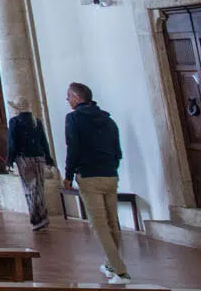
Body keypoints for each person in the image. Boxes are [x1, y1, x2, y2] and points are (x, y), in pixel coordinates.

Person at [64, 82, 129, 285]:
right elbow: (117, 150)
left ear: (77, 98)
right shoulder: (108, 120)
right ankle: (110, 265)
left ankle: (121, 272)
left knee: (99, 224)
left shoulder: (73, 118)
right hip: (110, 174)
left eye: (69, 96)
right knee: (112, 222)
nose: (67, 99)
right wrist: (111, 168)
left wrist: (68, 175)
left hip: (89, 175)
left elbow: (73, 147)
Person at [6, 95, 55, 231]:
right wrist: (48, 158)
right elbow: (43, 141)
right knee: (39, 188)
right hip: (39, 157)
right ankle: (43, 217)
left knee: (29, 189)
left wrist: (9, 160)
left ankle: (36, 218)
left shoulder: (15, 121)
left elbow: (12, 143)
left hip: (24, 159)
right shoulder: (36, 121)